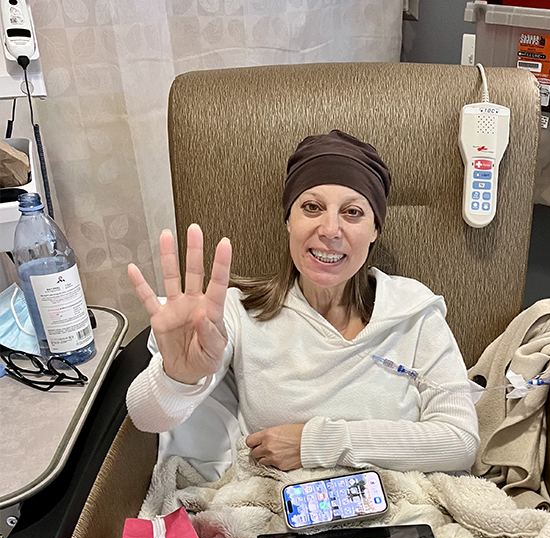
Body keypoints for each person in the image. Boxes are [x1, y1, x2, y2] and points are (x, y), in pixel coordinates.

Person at [126, 130, 479, 473]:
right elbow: (147, 417)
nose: (330, 229)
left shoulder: (412, 312)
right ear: (289, 220)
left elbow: (460, 441)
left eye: (353, 212)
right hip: (280, 515)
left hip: (401, 517)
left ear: (374, 230)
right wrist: (178, 379)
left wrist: (316, 443)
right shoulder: (237, 312)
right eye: (312, 207)